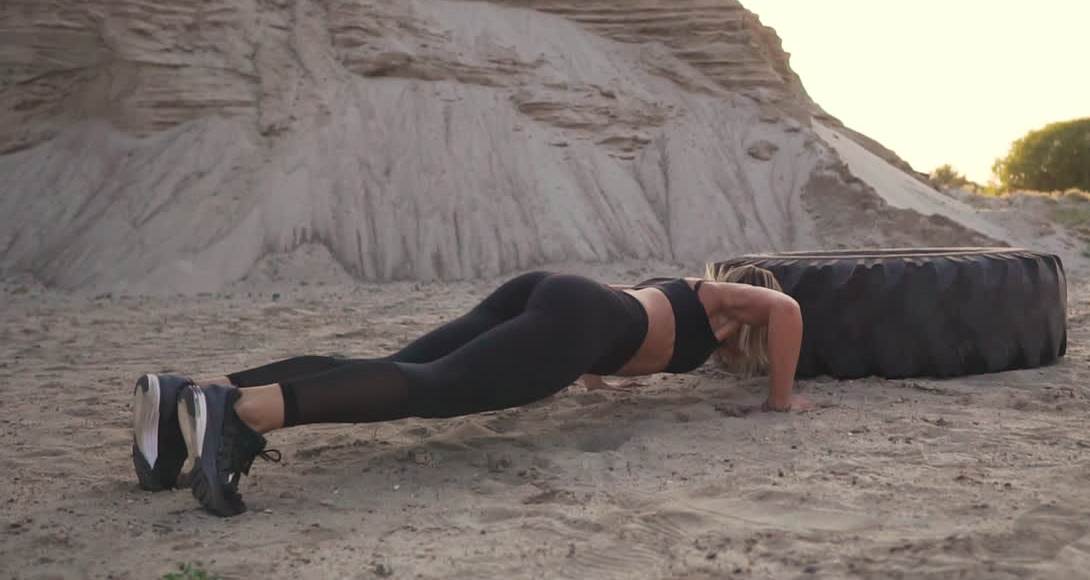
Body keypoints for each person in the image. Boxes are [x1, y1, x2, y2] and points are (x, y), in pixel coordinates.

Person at [130, 264, 813, 517]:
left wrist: (596, 375)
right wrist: (780, 401)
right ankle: (238, 415)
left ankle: (187, 395)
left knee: (391, 363)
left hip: (559, 296)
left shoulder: (680, 309)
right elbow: (786, 314)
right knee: (434, 388)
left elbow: (622, 325)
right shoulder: (728, 301)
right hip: (578, 312)